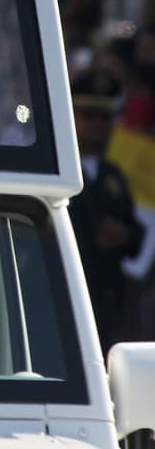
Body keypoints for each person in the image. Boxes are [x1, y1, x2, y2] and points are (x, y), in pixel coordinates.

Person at [67, 68, 145, 351]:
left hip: (106, 299)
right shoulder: (59, 171)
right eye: (88, 115)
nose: (97, 124)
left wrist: (124, 235)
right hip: (64, 294)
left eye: (104, 117)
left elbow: (135, 230)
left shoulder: (114, 176)